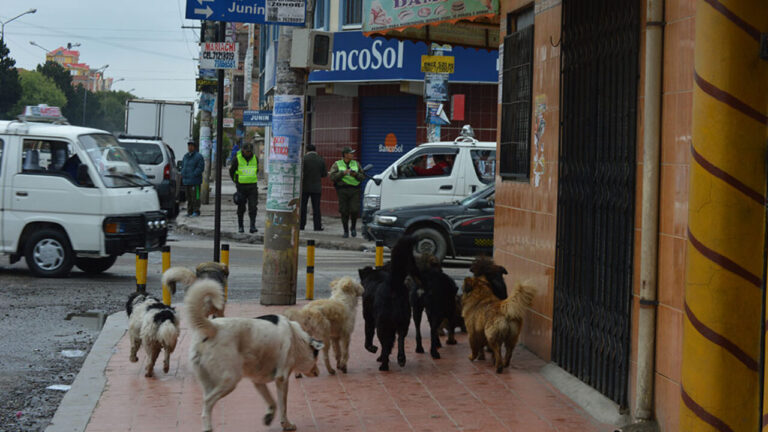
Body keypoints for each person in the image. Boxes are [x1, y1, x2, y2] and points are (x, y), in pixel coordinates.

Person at [329, 146, 364, 238]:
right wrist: (342, 173)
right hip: (342, 189)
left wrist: (355, 174)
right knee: (344, 211)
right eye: (350, 153)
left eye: (352, 153)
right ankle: (345, 231)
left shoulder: (356, 164)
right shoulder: (337, 164)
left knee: (354, 210)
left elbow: (362, 176)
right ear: (345, 154)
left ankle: (353, 227)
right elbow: (332, 177)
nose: (352, 155)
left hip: (355, 189)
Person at [229, 142, 259, 233]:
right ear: (243, 150)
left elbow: (256, 170)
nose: (248, 153)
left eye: (250, 151)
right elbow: (232, 171)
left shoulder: (255, 158)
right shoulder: (237, 159)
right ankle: (240, 226)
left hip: (252, 187)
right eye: (247, 151)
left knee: (253, 207)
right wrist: (236, 181)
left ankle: (252, 226)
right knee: (241, 208)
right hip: (241, 187)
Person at [300, 144, 327, 231]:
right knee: (316, 208)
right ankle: (317, 226)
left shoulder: (304, 159)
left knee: (303, 207)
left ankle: (301, 225)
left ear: (307, 150)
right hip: (316, 188)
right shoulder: (321, 159)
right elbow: (324, 174)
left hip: (305, 187)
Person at [181, 140, 204, 217]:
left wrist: (194, 174)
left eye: (191, 145)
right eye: (189, 145)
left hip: (195, 181)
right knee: (189, 197)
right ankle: (189, 211)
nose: (190, 147)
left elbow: (200, 168)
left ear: (194, 147)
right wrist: (183, 173)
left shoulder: (198, 157)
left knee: (196, 197)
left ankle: (196, 211)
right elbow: (183, 166)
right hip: (187, 181)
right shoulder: (185, 156)